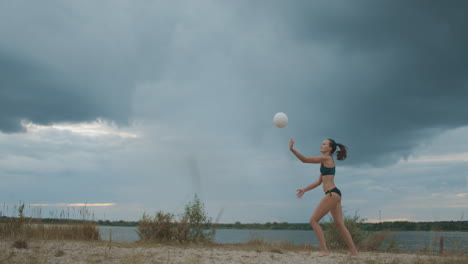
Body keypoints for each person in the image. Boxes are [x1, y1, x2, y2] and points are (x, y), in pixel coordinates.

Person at [289, 138, 358, 257]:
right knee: (340, 224)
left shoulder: (326, 158)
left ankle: (325, 250)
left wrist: (292, 150)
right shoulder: (325, 161)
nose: (321, 146)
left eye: (324, 144)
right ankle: (354, 252)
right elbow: (318, 182)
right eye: (322, 143)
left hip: (331, 194)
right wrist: (304, 189)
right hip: (335, 194)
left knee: (313, 221)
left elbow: (305, 160)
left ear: (329, 148)